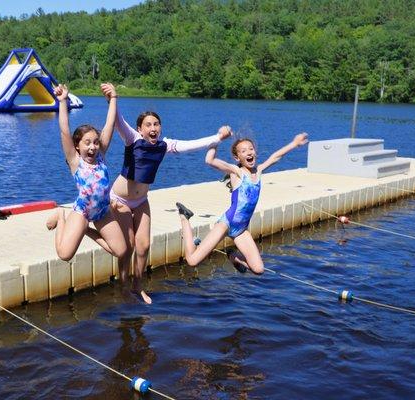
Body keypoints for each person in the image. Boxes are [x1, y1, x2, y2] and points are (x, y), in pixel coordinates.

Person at [105, 86, 233, 304]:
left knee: (144, 245)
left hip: (141, 200)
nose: (153, 128)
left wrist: (218, 137)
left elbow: (192, 146)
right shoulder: (132, 139)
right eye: (148, 125)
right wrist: (112, 99)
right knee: (127, 247)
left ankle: (138, 286)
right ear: (140, 128)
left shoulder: (165, 145)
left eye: (156, 124)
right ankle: (123, 285)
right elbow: (119, 122)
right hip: (120, 200)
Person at [176, 133, 309, 273]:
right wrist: (216, 141)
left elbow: (275, 157)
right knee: (192, 261)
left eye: (251, 149)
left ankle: (233, 256)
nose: (249, 152)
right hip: (226, 224)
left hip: (241, 229)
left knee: (258, 269)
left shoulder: (259, 171)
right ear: (237, 157)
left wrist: (294, 143)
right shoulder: (237, 172)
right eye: (243, 151)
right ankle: (184, 217)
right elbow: (210, 160)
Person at [46, 83, 128, 263]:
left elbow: (109, 125)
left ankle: (85, 231)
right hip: (83, 212)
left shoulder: (101, 155)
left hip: (103, 212)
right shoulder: (75, 161)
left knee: (121, 250)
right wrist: (62, 101)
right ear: (77, 146)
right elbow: (64, 130)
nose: (93, 147)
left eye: (96, 142)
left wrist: (113, 98)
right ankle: (61, 216)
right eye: (87, 142)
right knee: (64, 254)